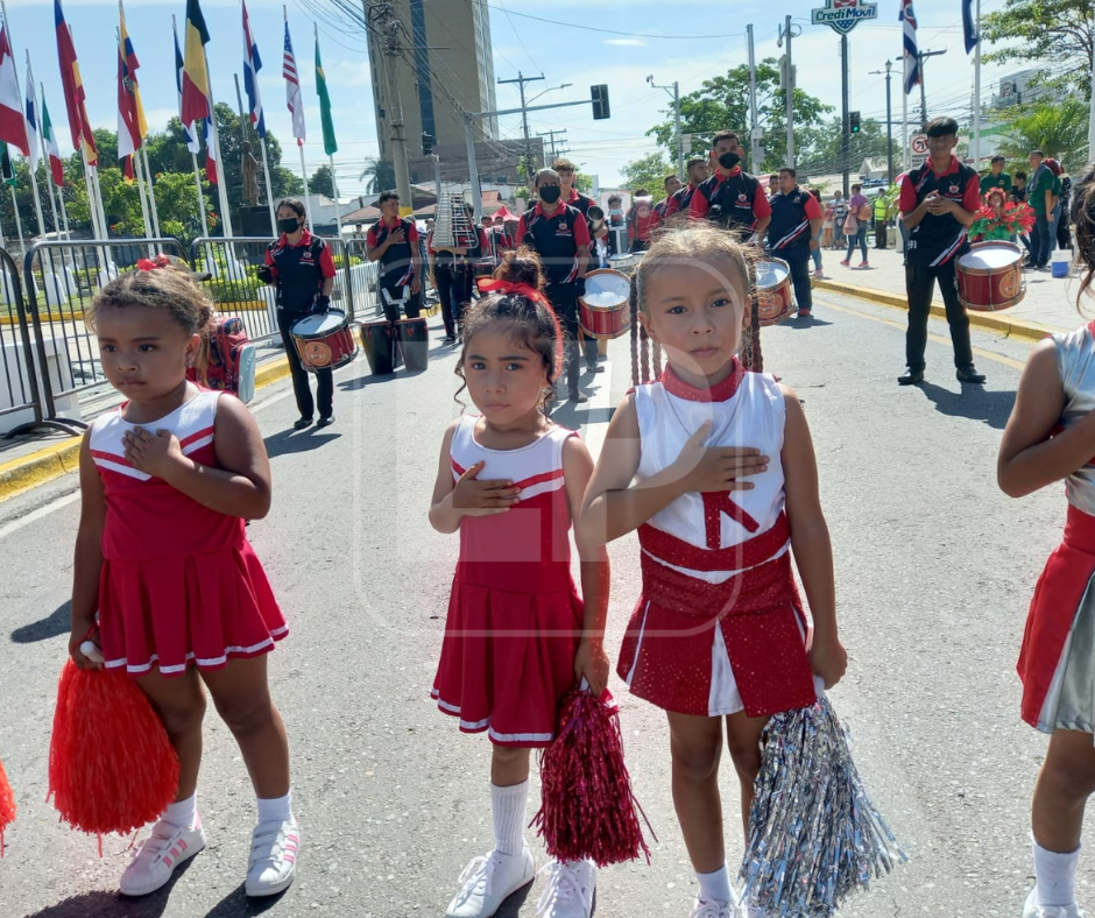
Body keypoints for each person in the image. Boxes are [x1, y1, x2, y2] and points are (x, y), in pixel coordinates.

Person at [579, 224, 847, 918]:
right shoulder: (639, 411)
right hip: (678, 613)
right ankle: (712, 894)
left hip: (764, 609)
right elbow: (592, 522)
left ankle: (767, 888)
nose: (700, 325)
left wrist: (826, 630)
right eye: (676, 309)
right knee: (691, 755)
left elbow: (807, 524)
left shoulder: (777, 406)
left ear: (747, 306)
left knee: (758, 759)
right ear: (646, 321)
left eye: (718, 302)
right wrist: (680, 478)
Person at [71, 262, 298, 899]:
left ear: (190, 346)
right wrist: (82, 617)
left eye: (147, 346)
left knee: (247, 711)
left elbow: (254, 499)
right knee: (173, 717)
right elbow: (93, 532)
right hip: (137, 599)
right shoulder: (102, 434)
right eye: (111, 348)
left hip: (215, 585)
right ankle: (179, 824)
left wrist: (176, 469)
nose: (127, 363)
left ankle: (277, 822)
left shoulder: (217, 412)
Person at [429, 250, 610, 918]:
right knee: (506, 740)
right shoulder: (457, 437)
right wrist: (460, 506)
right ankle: (509, 854)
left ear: (547, 371)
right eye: (478, 366)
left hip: (545, 613)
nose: (492, 384)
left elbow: (592, 556)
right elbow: (438, 519)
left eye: (513, 366)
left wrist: (591, 642)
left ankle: (572, 859)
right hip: (480, 611)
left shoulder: (563, 449)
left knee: (561, 741)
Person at [997, 165, 1095, 918]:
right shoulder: (1059, 358)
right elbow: (1014, 475)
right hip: (1089, 587)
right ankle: (1054, 899)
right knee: (1074, 764)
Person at [897, 116, 985, 386]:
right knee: (917, 314)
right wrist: (924, 206)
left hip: (955, 253)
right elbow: (907, 220)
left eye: (947, 138)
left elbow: (970, 218)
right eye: (936, 139)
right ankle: (915, 368)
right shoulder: (913, 178)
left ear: (955, 141)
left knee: (958, 313)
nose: (941, 144)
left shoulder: (968, 176)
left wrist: (951, 207)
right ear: (927, 142)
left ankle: (965, 367)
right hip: (920, 253)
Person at [517, 169, 596, 402]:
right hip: (537, 290)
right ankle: (546, 389)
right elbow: (520, 256)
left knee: (570, 337)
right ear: (536, 188)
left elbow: (583, 250)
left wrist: (580, 279)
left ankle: (573, 389)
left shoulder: (573, 215)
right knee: (540, 339)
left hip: (567, 285)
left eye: (554, 183)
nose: (550, 187)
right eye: (545, 184)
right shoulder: (527, 219)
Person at [260, 197, 337, 429]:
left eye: (288, 216)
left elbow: (329, 276)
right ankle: (306, 415)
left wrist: (324, 299)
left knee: (320, 362)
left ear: (301, 217)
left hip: (313, 311)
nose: (284, 220)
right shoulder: (274, 249)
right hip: (286, 311)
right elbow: (275, 281)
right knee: (296, 366)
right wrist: (267, 279)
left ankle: (326, 412)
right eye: (281, 217)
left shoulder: (317, 245)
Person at [690, 131, 771, 242]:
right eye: (723, 150)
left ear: (740, 151)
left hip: (745, 249)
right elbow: (695, 222)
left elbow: (765, 216)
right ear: (714, 154)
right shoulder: (704, 188)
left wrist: (751, 235)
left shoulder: (751, 183)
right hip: (714, 250)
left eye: (733, 149)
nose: (728, 153)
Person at [767, 167, 823, 318]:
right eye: (780, 178)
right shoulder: (773, 199)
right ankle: (782, 306)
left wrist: (814, 237)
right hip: (777, 245)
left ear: (793, 179)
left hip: (799, 245)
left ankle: (804, 306)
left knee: (800, 275)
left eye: (785, 177)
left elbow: (816, 218)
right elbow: (765, 219)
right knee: (779, 278)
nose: (781, 180)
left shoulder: (804, 196)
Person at [366, 190, 424, 324]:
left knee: (413, 319)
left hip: (408, 278)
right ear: (382, 207)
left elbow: (416, 253)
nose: (395, 207)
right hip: (387, 279)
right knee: (391, 320)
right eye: (391, 204)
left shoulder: (408, 226)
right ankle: (396, 344)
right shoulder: (374, 230)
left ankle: (414, 344)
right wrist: (388, 241)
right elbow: (371, 256)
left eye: (396, 204)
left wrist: (417, 277)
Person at [1028, 151, 1058, 271]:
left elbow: (1048, 192)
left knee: (1043, 235)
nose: (1031, 160)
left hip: (1041, 208)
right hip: (1032, 208)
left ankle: (1042, 260)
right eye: (1030, 158)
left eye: (1033, 158)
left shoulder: (1045, 172)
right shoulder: (1033, 174)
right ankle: (1033, 259)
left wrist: (1047, 211)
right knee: (1033, 235)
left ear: (1040, 158)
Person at [840, 183, 870, 268]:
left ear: (854, 190)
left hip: (854, 222)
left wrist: (847, 206)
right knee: (862, 241)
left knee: (852, 242)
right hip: (863, 221)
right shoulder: (865, 198)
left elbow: (854, 210)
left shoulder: (853, 198)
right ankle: (865, 261)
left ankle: (847, 260)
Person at [811, 189, 827, 277]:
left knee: (814, 249)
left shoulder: (819, 205)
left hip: (817, 228)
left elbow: (818, 219)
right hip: (815, 228)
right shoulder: (816, 205)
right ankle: (818, 266)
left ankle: (818, 268)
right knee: (815, 249)